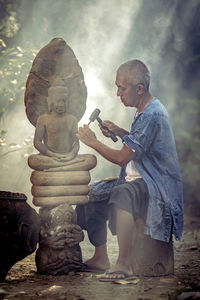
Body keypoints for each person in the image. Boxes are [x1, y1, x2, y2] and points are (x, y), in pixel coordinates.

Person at [76, 59, 183, 281]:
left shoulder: (152, 114)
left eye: (121, 88)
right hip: (139, 174)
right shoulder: (144, 109)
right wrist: (120, 131)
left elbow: (122, 157)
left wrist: (94, 142)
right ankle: (101, 256)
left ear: (140, 88)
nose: (118, 93)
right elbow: (142, 144)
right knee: (93, 193)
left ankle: (123, 263)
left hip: (154, 182)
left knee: (122, 193)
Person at [28, 78, 93, 171]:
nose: (61, 104)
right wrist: (53, 155)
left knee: (91, 160)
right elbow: (37, 142)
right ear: (50, 101)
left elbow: (76, 143)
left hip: (69, 157)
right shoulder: (43, 119)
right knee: (32, 160)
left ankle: (56, 168)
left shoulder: (72, 119)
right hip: (50, 157)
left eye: (64, 101)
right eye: (58, 101)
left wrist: (71, 155)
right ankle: (67, 167)